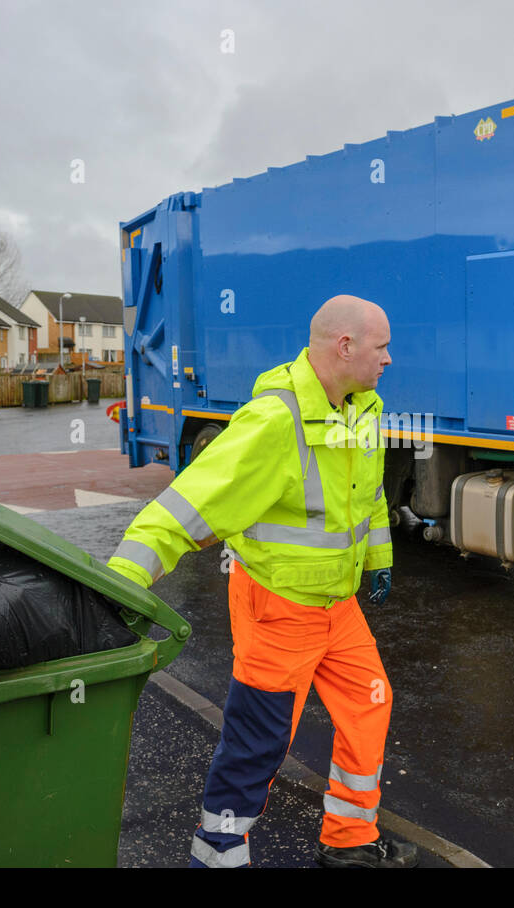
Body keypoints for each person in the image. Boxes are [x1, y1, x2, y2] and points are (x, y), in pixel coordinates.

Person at [106, 294, 416, 868]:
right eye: (382, 347)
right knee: (260, 741)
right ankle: (217, 853)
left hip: (337, 606)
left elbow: (368, 498)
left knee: (370, 702)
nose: (389, 360)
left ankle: (348, 841)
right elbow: (185, 508)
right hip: (279, 606)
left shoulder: (362, 408)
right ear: (344, 346)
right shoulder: (276, 420)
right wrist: (122, 581)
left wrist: (378, 560)